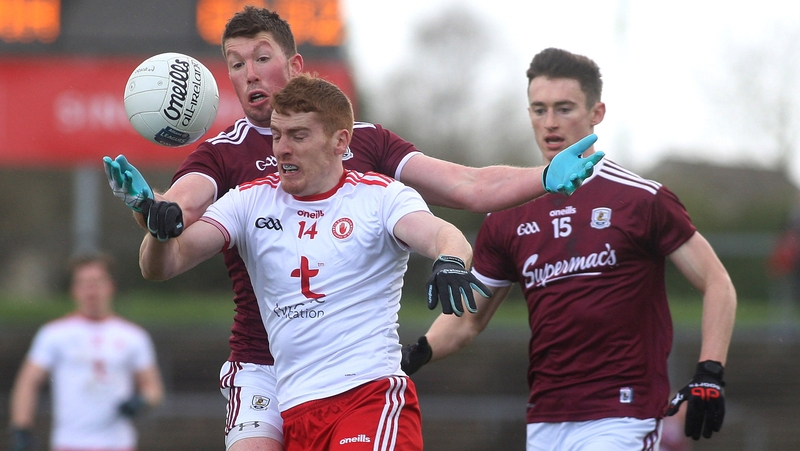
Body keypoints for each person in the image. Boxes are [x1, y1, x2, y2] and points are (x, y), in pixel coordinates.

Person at [103, 7, 602, 451]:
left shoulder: (366, 150)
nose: (249, 73)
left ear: (296, 65)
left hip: (354, 369)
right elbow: (175, 215)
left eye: (261, 58)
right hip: (263, 365)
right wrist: (150, 210)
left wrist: (542, 177)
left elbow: (464, 186)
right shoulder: (226, 163)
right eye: (236, 64)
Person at [401, 47, 737, 450]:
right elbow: (467, 320)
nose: (550, 123)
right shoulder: (506, 215)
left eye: (564, 108)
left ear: (597, 112)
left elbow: (717, 282)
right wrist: (415, 354)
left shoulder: (642, 199)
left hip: (623, 414)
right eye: (539, 109)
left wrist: (709, 373)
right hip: (546, 417)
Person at [137, 73, 491, 450]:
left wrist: (450, 261)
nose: (282, 149)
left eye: (298, 136)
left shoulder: (381, 197)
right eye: (277, 136)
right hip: (297, 411)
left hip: (369, 398)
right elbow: (164, 265)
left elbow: (443, 235)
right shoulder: (247, 201)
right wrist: (158, 230)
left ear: (340, 141)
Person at [8, 253, 164, 451]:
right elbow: (27, 382)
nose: (91, 291)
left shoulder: (134, 336)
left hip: (118, 444)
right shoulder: (54, 334)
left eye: (97, 282)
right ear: (74, 289)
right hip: (70, 444)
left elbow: (153, 388)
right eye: (84, 283)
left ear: (111, 286)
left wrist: (141, 401)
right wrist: (21, 428)